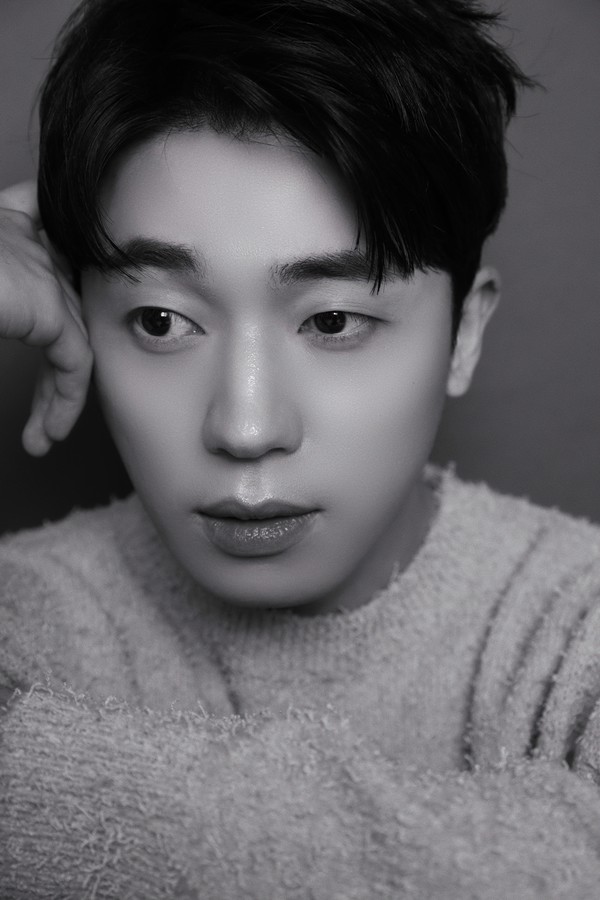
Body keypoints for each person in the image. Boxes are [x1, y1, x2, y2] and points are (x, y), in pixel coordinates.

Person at [1, 0, 600, 896]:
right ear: (80, 314)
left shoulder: (575, 627)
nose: (246, 428)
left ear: (465, 334)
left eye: (331, 321)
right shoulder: (25, 610)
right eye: (161, 320)